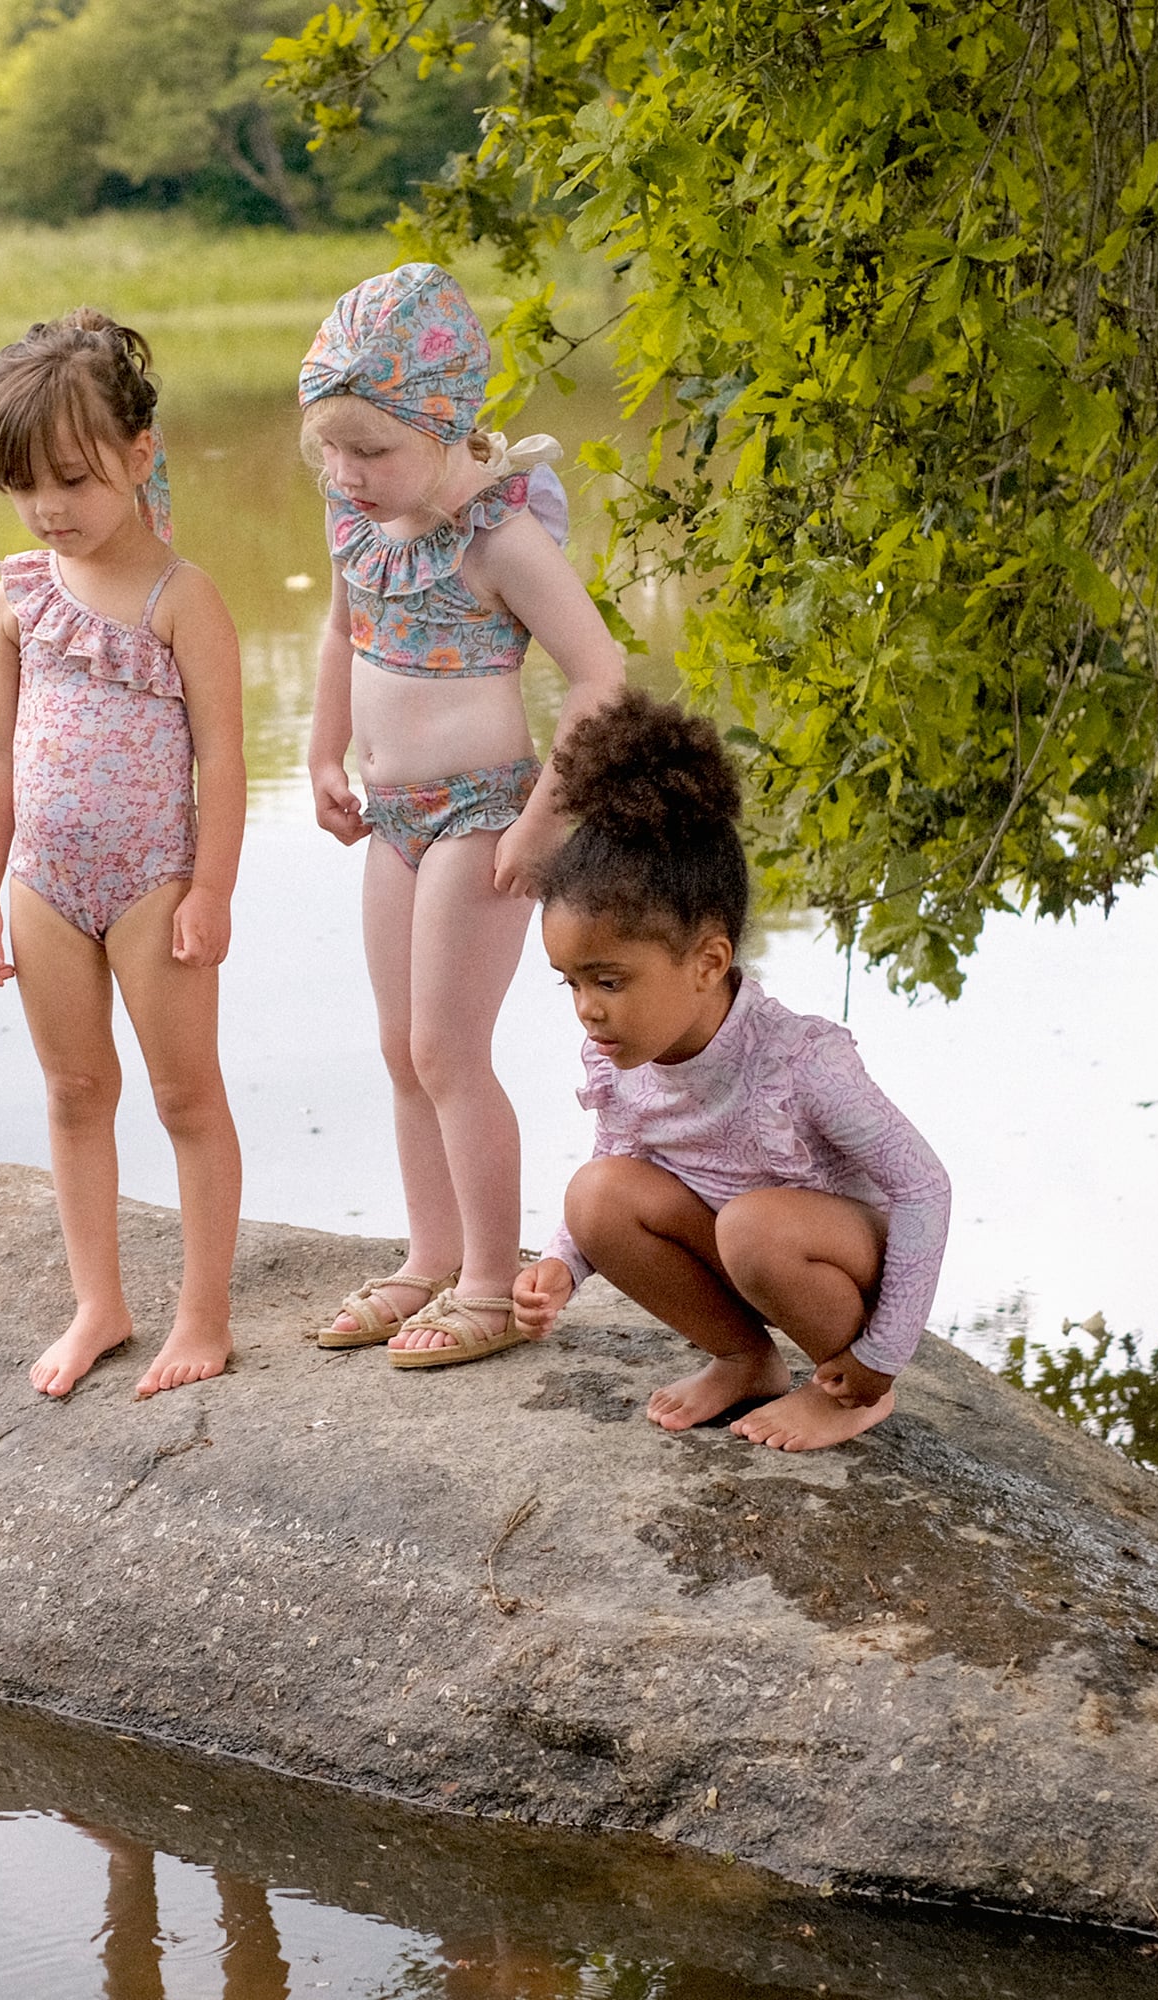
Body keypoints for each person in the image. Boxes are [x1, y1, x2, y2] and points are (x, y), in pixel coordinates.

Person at [299, 262, 630, 1369]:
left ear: (444, 425)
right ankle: (426, 1256)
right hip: (390, 809)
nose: (347, 472)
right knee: (399, 1048)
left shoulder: (498, 537)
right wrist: (318, 750)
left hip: (485, 812)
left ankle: (490, 1282)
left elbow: (599, 676)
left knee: (448, 1046)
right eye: (331, 449)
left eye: (373, 450)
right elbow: (343, 635)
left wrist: (543, 819)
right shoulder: (356, 521)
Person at [511, 692, 952, 1450]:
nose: (586, 1009)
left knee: (755, 1227)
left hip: (833, 1266)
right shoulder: (621, 1058)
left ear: (709, 962)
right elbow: (621, 1159)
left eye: (608, 981)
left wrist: (885, 1351)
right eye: (570, 982)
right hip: (743, 1250)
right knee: (597, 1196)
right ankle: (745, 1359)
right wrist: (562, 1265)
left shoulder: (799, 1062)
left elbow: (924, 1188)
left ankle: (845, 1390)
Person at [0, 310, 246, 1400]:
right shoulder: (17, 599)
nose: (49, 509)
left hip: (152, 882)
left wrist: (210, 886)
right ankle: (99, 1302)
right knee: (74, 1088)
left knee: (185, 1096)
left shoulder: (185, 599)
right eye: (25, 484)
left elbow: (222, 758)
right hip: (42, 879)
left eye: (74, 481)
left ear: (138, 457)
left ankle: (201, 1312)